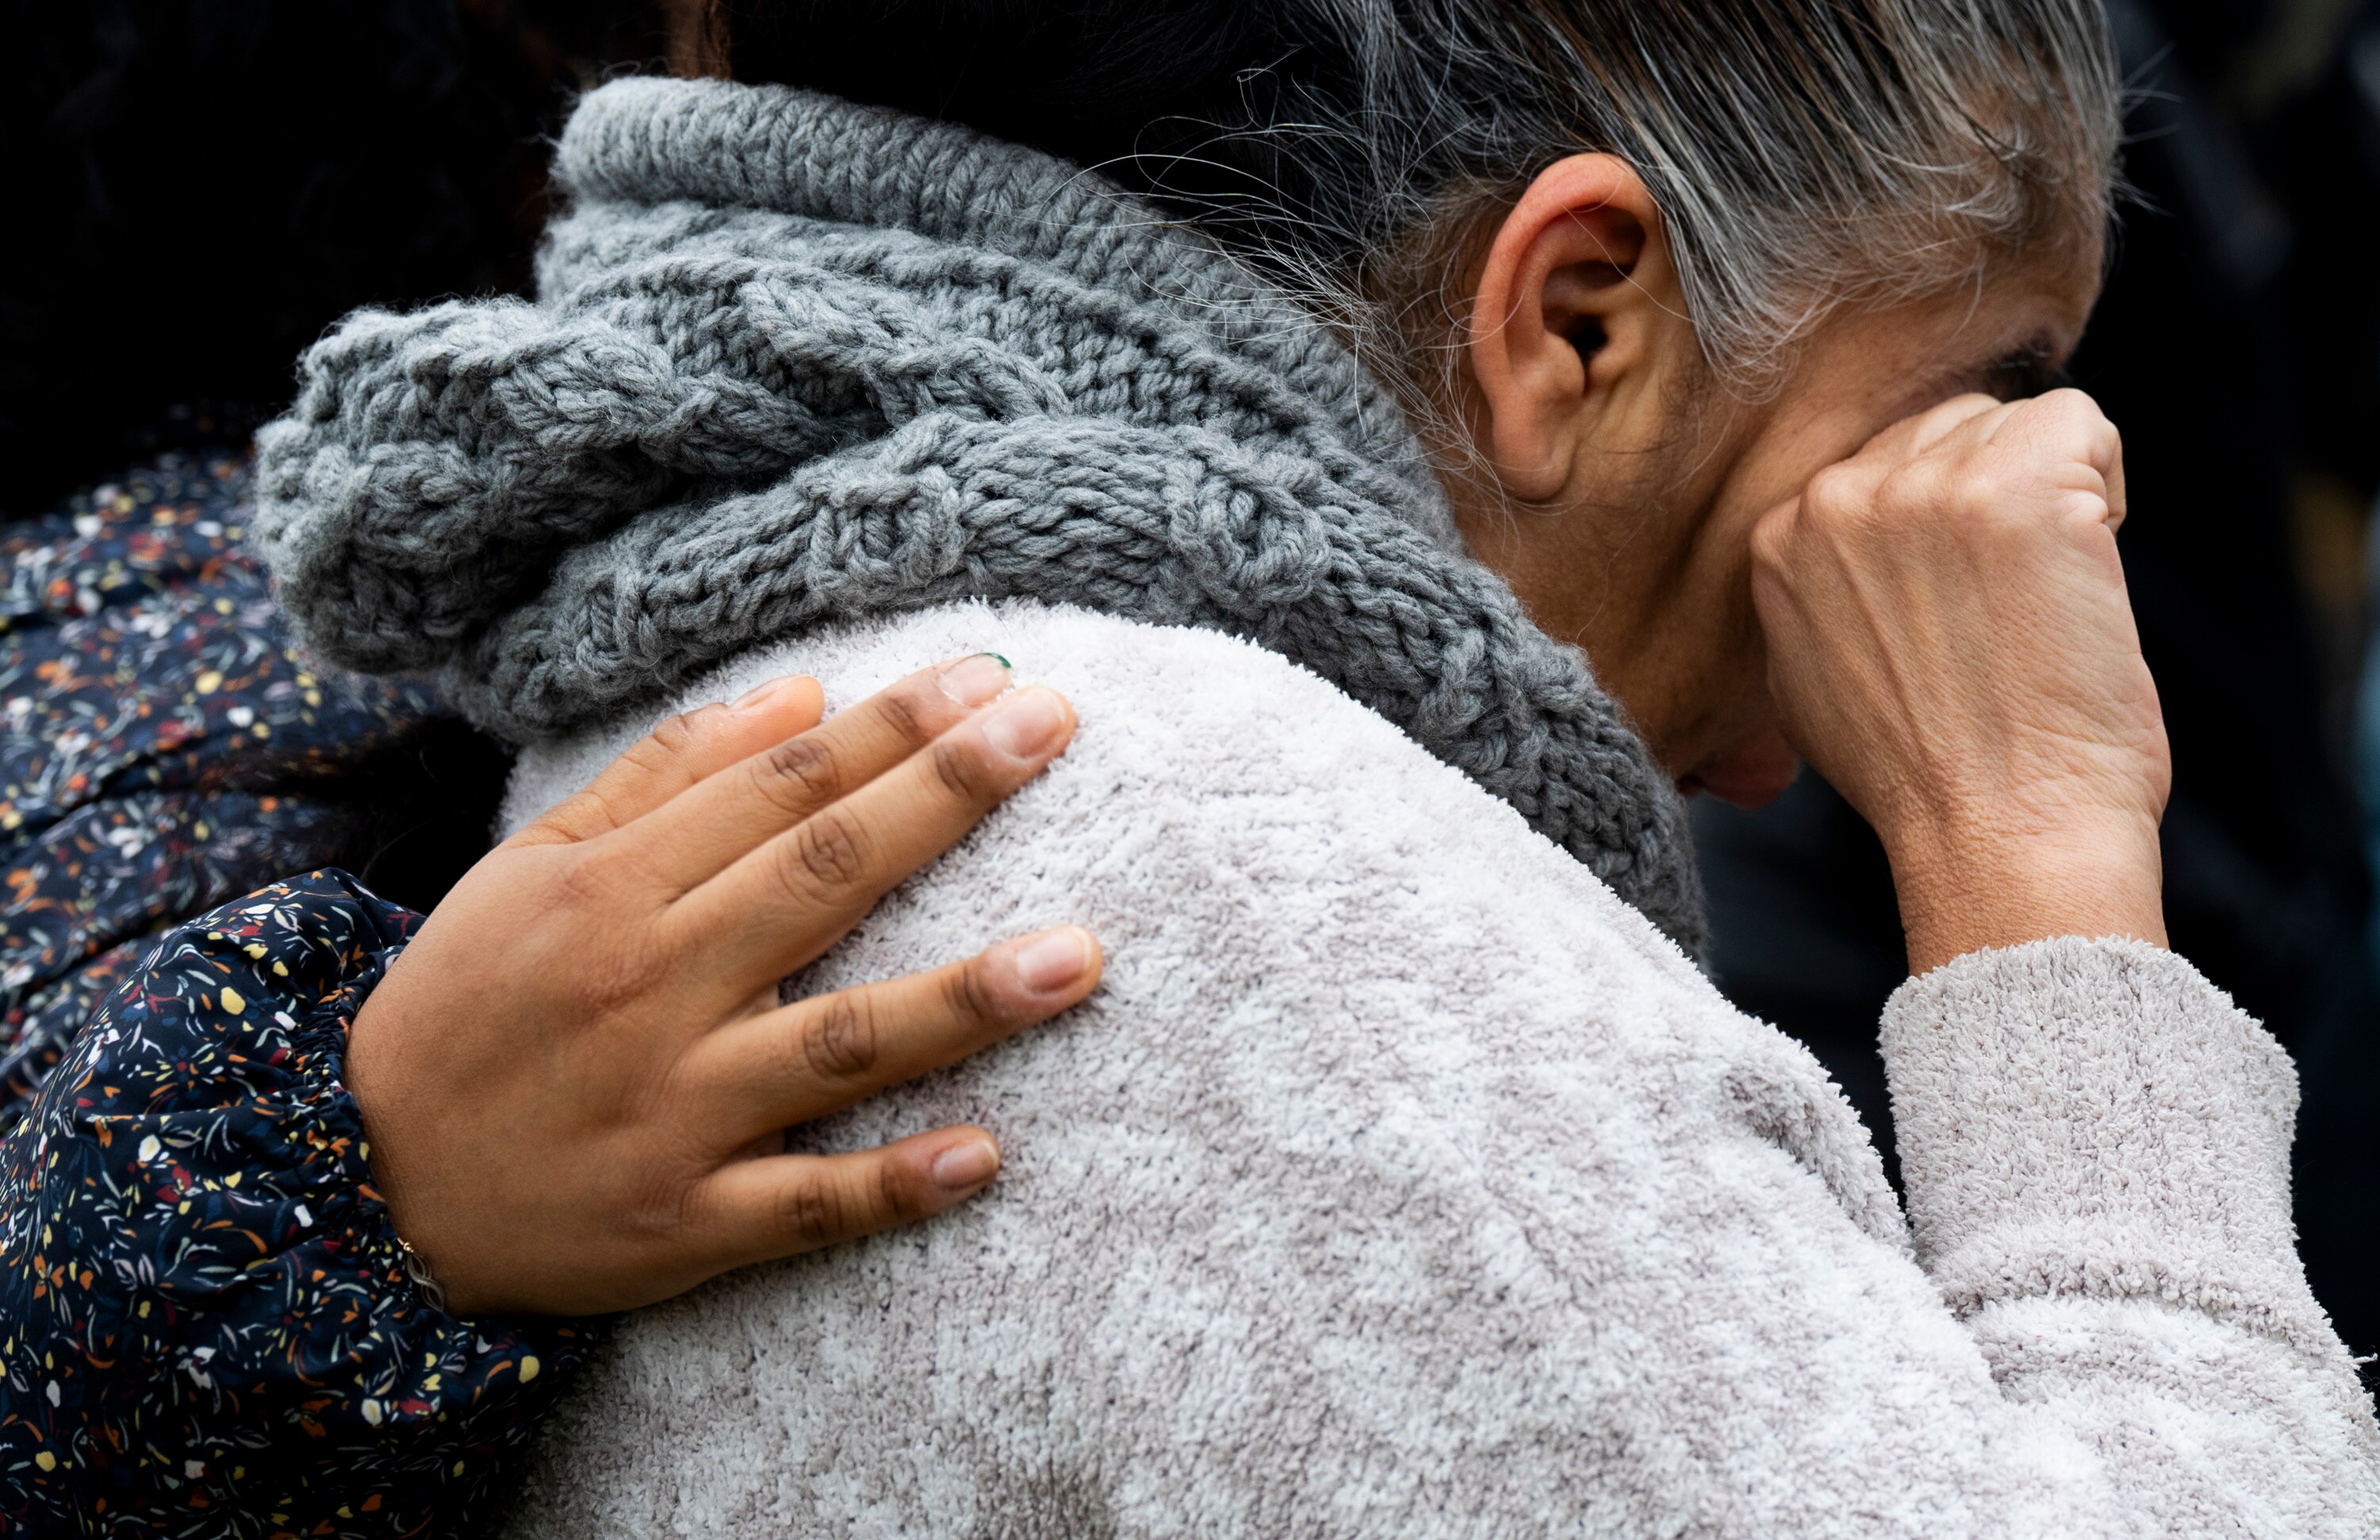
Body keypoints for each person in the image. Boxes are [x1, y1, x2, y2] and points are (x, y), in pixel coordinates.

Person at [8, 0, 2378, 1534]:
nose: (1998, 533)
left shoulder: (860, 674)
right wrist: (2040, 865)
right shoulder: (1215, 871)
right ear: (1576, 316)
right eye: (1965, 406)